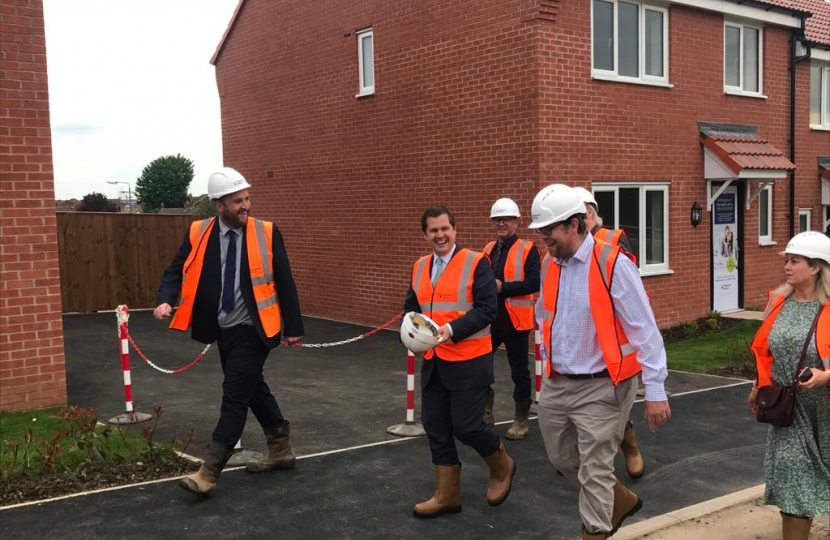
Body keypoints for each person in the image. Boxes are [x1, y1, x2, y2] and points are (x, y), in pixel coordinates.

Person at [530, 184, 670, 540]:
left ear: (575, 224)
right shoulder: (549, 263)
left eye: (549, 230)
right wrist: (546, 356)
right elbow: (544, 314)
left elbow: (645, 330)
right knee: (560, 458)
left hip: (602, 386)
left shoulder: (613, 264)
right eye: (540, 231)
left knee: (594, 472)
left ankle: (595, 528)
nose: (543, 238)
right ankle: (617, 497)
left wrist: (655, 390)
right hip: (558, 382)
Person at [154, 167, 304, 497]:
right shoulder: (198, 232)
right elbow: (175, 270)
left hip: (255, 327)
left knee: (234, 395)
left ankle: (208, 472)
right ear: (218, 204)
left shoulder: (266, 232)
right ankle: (281, 449)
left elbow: (285, 279)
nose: (246, 205)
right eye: (238, 200)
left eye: (248, 198)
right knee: (252, 388)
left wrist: (293, 327)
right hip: (222, 328)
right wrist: (166, 300)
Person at [404, 205, 516, 519]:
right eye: (433, 230)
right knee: (436, 426)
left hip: (469, 360)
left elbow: (486, 310)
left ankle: (502, 465)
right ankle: (447, 495)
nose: (440, 235)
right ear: (425, 234)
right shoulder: (419, 266)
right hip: (434, 361)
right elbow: (412, 309)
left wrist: (451, 330)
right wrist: (411, 332)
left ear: (454, 230)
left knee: (467, 427)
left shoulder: (476, 262)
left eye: (445, 229)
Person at [747, 231, 830, 540]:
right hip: (789, 410)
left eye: (794, 261)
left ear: (816, 267)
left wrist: (826, 375)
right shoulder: (778, 301)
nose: (787, 266)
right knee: (794, 477)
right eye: (786, 260)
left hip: (824, 408)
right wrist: (759, 386)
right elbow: (765, 350)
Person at [574, 186, 644, 479]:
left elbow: (627, 285)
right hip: (581, 334)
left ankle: (630, 448)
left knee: (612, 405)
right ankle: (587, 458)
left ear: (588, 213)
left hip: (612, 335)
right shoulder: (568, 245)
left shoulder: (614, 239)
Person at [482, 197, 541, 440]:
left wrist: (502, 287)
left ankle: (520, 421)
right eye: (497, 219)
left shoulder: (528, 249)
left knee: (519, 372)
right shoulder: (488, 249)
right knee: (481, 367)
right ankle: (485, 414)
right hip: (490, 320)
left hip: (515, 321)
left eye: (506, 219)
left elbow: (534, 282)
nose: (501, 223)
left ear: (516, 222)